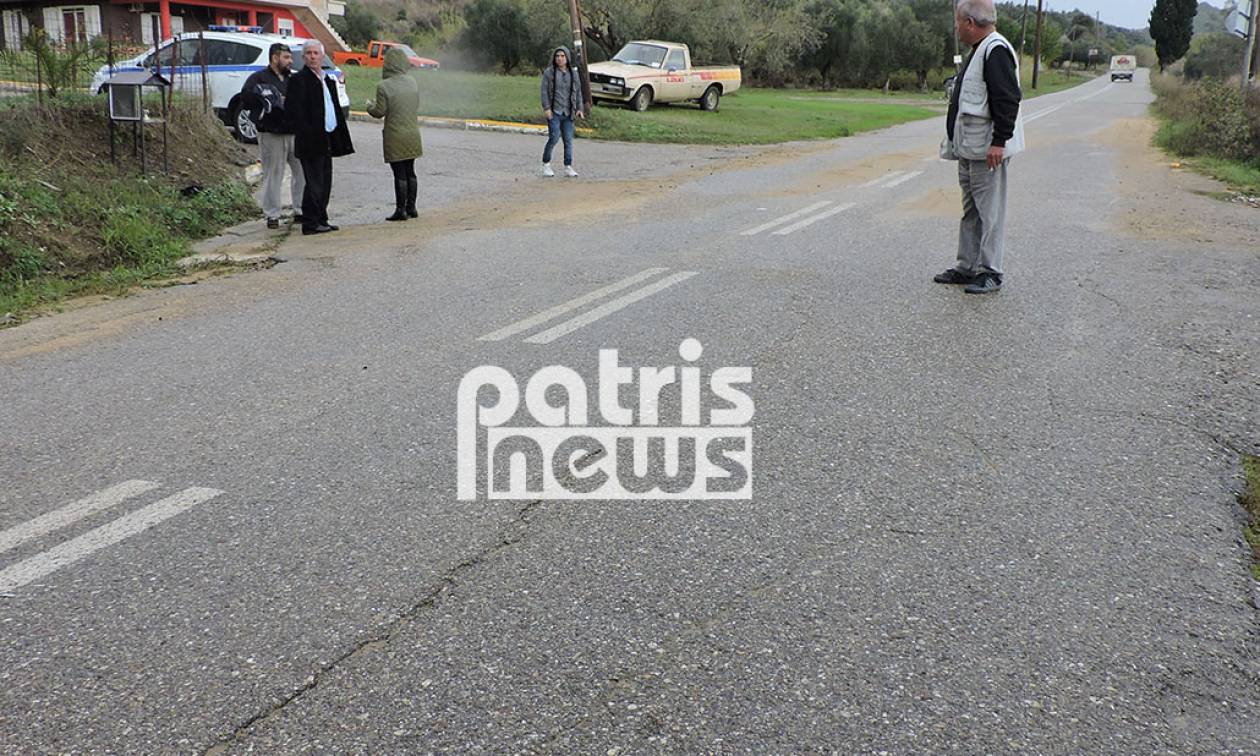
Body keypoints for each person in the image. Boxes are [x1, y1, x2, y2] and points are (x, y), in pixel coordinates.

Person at [934, 0, 1024, 294]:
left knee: (990, 212)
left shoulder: (995, 50)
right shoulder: (980, 50)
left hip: (987, 152)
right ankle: (967, 266)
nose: (957, 27)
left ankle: (990, 271)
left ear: (970, 23)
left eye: (959, 22)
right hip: (970, 150)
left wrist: (999, 142)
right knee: (971, 211)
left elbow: (1008, 99)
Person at [284, 39, 354, 236]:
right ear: (304, 57)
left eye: (316, 53)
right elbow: (294, 112)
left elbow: (333, 109)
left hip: (327, 137)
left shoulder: (327, 79)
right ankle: (311, 222)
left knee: (325, 182)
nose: (312, 57)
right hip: (310, 140)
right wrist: (306, 130)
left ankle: (322, 218)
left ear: (322, 56)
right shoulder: (299, 80)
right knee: (313, 183)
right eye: (309, 53)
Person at [240, 43, 304, 230]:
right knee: (273, 175)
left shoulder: (293, 78)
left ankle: (300, 209)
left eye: (290, 58)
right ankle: (272, 214)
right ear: (275, 58)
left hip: (295, 133)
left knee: (301, 174)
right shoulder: (258, 79)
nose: (290, 61)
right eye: (286, 57)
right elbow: (246, 100)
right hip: (272, 134)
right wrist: (265, 100)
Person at [366, 47, 423, 221]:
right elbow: (416, 104)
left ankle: (400, 210)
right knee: (410, 171)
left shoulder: (383, 86)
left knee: (399, 173)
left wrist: (369, 105)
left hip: (395, 134)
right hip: (412, 132)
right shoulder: (412, 82)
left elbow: (379, 111)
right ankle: (412, 207)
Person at [539, 46, 585, 178]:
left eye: (562, 56)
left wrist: (579, 108)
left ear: (567, 58)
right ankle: (546, 164)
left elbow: (578, 92)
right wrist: (546, 108)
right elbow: (544, 92)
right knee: (554, 137)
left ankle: (568, 166)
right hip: (554, 112)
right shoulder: (549, 73)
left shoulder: (573, 73)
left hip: (568, 112)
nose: (559, 58)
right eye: (557, 56)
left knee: (568, 140)